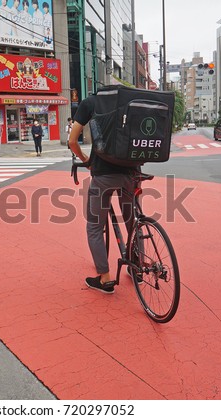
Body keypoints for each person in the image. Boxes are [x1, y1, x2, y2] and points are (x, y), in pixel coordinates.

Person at [68, 94, 140, 294]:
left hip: (104, 174)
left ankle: (105, 278)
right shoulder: (131, 101)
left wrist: (86, 160)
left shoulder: (90, 103)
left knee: (94, 226)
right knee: (132, 220)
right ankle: (139, 266)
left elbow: (73, 140)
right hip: (132, 171)